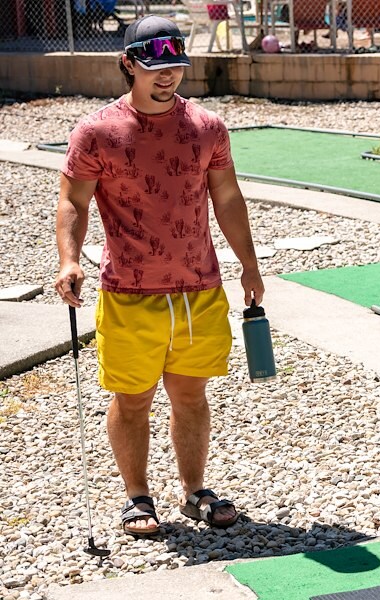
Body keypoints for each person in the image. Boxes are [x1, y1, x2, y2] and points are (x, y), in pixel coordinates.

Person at [54, 16, 264, 538]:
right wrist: (69, 259)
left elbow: (227, 197)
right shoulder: (97, 132)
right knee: (132, 399)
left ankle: (194, 493)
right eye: (155, 67)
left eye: (174, 67)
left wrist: (250, 264)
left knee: (190, 395)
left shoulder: (207, 127)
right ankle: (137, 497)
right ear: (128, 64)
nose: (167, 77)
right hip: (129, 292)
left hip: (200, 289)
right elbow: (72, 203)